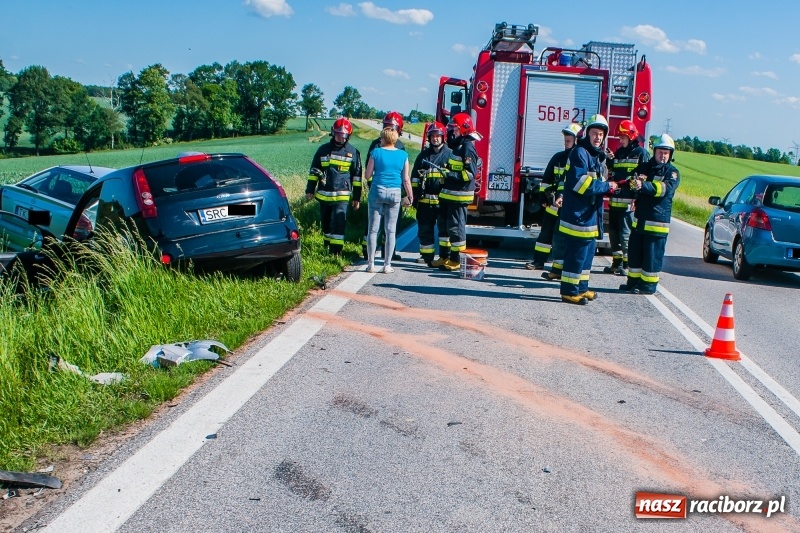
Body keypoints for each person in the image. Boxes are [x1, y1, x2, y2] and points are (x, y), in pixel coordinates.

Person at [558, 114, 618, 305]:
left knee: (587, 255)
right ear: (587, 134)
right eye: (594, 133)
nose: (598, 137)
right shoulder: (580, 153)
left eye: (601, 134)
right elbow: (581, 184)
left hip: (589, 216)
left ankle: (582, 288)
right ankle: (569, 291)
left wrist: (609, 185)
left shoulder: (595, 155)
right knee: (576, 256)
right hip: (578, 217)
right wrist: (607, 186)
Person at [619, 133, 680, 295]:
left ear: (671, 154)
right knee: (635, 253)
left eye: (666, 153)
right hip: (639, 221)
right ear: (655, 151)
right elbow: (633, 181)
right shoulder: (644, 167)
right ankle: (632, 282)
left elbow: (664, 190)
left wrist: (643, 186)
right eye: (660, 151)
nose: (663, 155)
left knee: (652, 257)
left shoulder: (672, 173)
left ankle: (647, 286)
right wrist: (633, 190)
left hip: (657, 223)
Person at [526, 123, 582, 270]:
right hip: (552, 204)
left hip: (568, 206)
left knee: (562, 237)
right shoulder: (558, 157)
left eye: (569, 139)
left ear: (576, 140)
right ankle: (538, 261)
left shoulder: (579, 160)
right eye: (565, 139)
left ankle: (561, 266)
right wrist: (543, 197)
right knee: (545, 233)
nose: (565, 142)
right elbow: (546, 179)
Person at [359, 126, 413, 273]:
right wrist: (410, 195)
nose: (380, 140)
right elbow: (406, 179)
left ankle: (370, 264)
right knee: (390, 230)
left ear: (383, 139)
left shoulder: (375, 152)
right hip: (395, 193)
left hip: (377, 191)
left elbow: (368, 175)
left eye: (381, 138)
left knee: (373, 229)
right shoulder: (403, 155)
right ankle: (387, 265)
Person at [354, 111, 406, 261]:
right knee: (375, 223)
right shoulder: (377, 144)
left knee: (390, 224)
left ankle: (388, 251)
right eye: (388, 127)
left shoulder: (400, 146)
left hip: (390, 189)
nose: (390, 131)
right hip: (381, 188)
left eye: (393, 128)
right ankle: (366, 250)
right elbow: (369, 169)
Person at [305, 117, 362, 255]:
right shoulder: (323, 150)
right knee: (325, 223)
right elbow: (314, 171)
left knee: (339, 221)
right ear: (333, 132)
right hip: (324, 194)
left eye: (343, 136)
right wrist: (310, 190)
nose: (340, 138)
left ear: (348, 136)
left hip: (342, 195)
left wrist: (357, 197)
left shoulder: (353, 152)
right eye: (338, 134)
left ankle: (336, 252)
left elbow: (357, 177)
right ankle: (327, 245)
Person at [434, 112, 481, 271]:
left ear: (464, 130)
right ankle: (444, 256)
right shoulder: (457, 146)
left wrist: (450, 174)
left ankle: (457, 259)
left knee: (456, 228)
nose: (451, 133)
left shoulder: (468, 147)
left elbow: (469, 174)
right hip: (448, 195)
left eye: (454, 130)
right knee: (444, 227)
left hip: (458, 197)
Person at [603, 119, 650, 276]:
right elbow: (614, 170)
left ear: (630, 137)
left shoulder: (641, 154)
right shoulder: (620, 152)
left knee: (625, 234)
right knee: (613, 234)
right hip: (615, 201)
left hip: (628, 202)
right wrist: (610, 159)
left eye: (622, 138)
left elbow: (643, 177)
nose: (620, 140)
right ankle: (616, 263)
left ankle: (627, 264)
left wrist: (636, 198)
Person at [411, 122, 452, 266]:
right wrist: (415, 196)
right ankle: (426, 256)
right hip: (425, 201)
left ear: (443, 137)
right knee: (425, 229)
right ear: (429, 138)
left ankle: (445, 256)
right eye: (432, 136)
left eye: (438, 136)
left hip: (443, 201)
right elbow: (415, 178)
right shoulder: (423, 156)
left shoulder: (450, 155)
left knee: (444, 232)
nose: (435, 139)